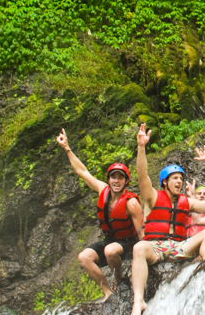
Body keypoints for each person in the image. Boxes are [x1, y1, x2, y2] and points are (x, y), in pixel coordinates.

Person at [128, 124, 205, 315]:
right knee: (139, 247)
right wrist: (141, 147)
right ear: (165, 182)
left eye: (181, 178)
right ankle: (138, 301)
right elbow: (142, 175)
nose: (179, 181)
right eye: (175, 178)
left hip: (179, 246)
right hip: (155, 247)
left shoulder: (187, 202)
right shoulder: (152, 197)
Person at [56, 129, 143, 301]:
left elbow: (141, 232)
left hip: (129, 244)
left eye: (120, 178)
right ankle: (108, 292)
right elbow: (82, 172)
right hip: (110, 241)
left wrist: (147, 255)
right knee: (84, 257)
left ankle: (119, 278)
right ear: (109, 180)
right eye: (113, 177)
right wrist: (67, 148)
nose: (116, 181)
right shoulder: (103, 190)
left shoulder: (131, 203)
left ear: (126, 181)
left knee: (110, 251)